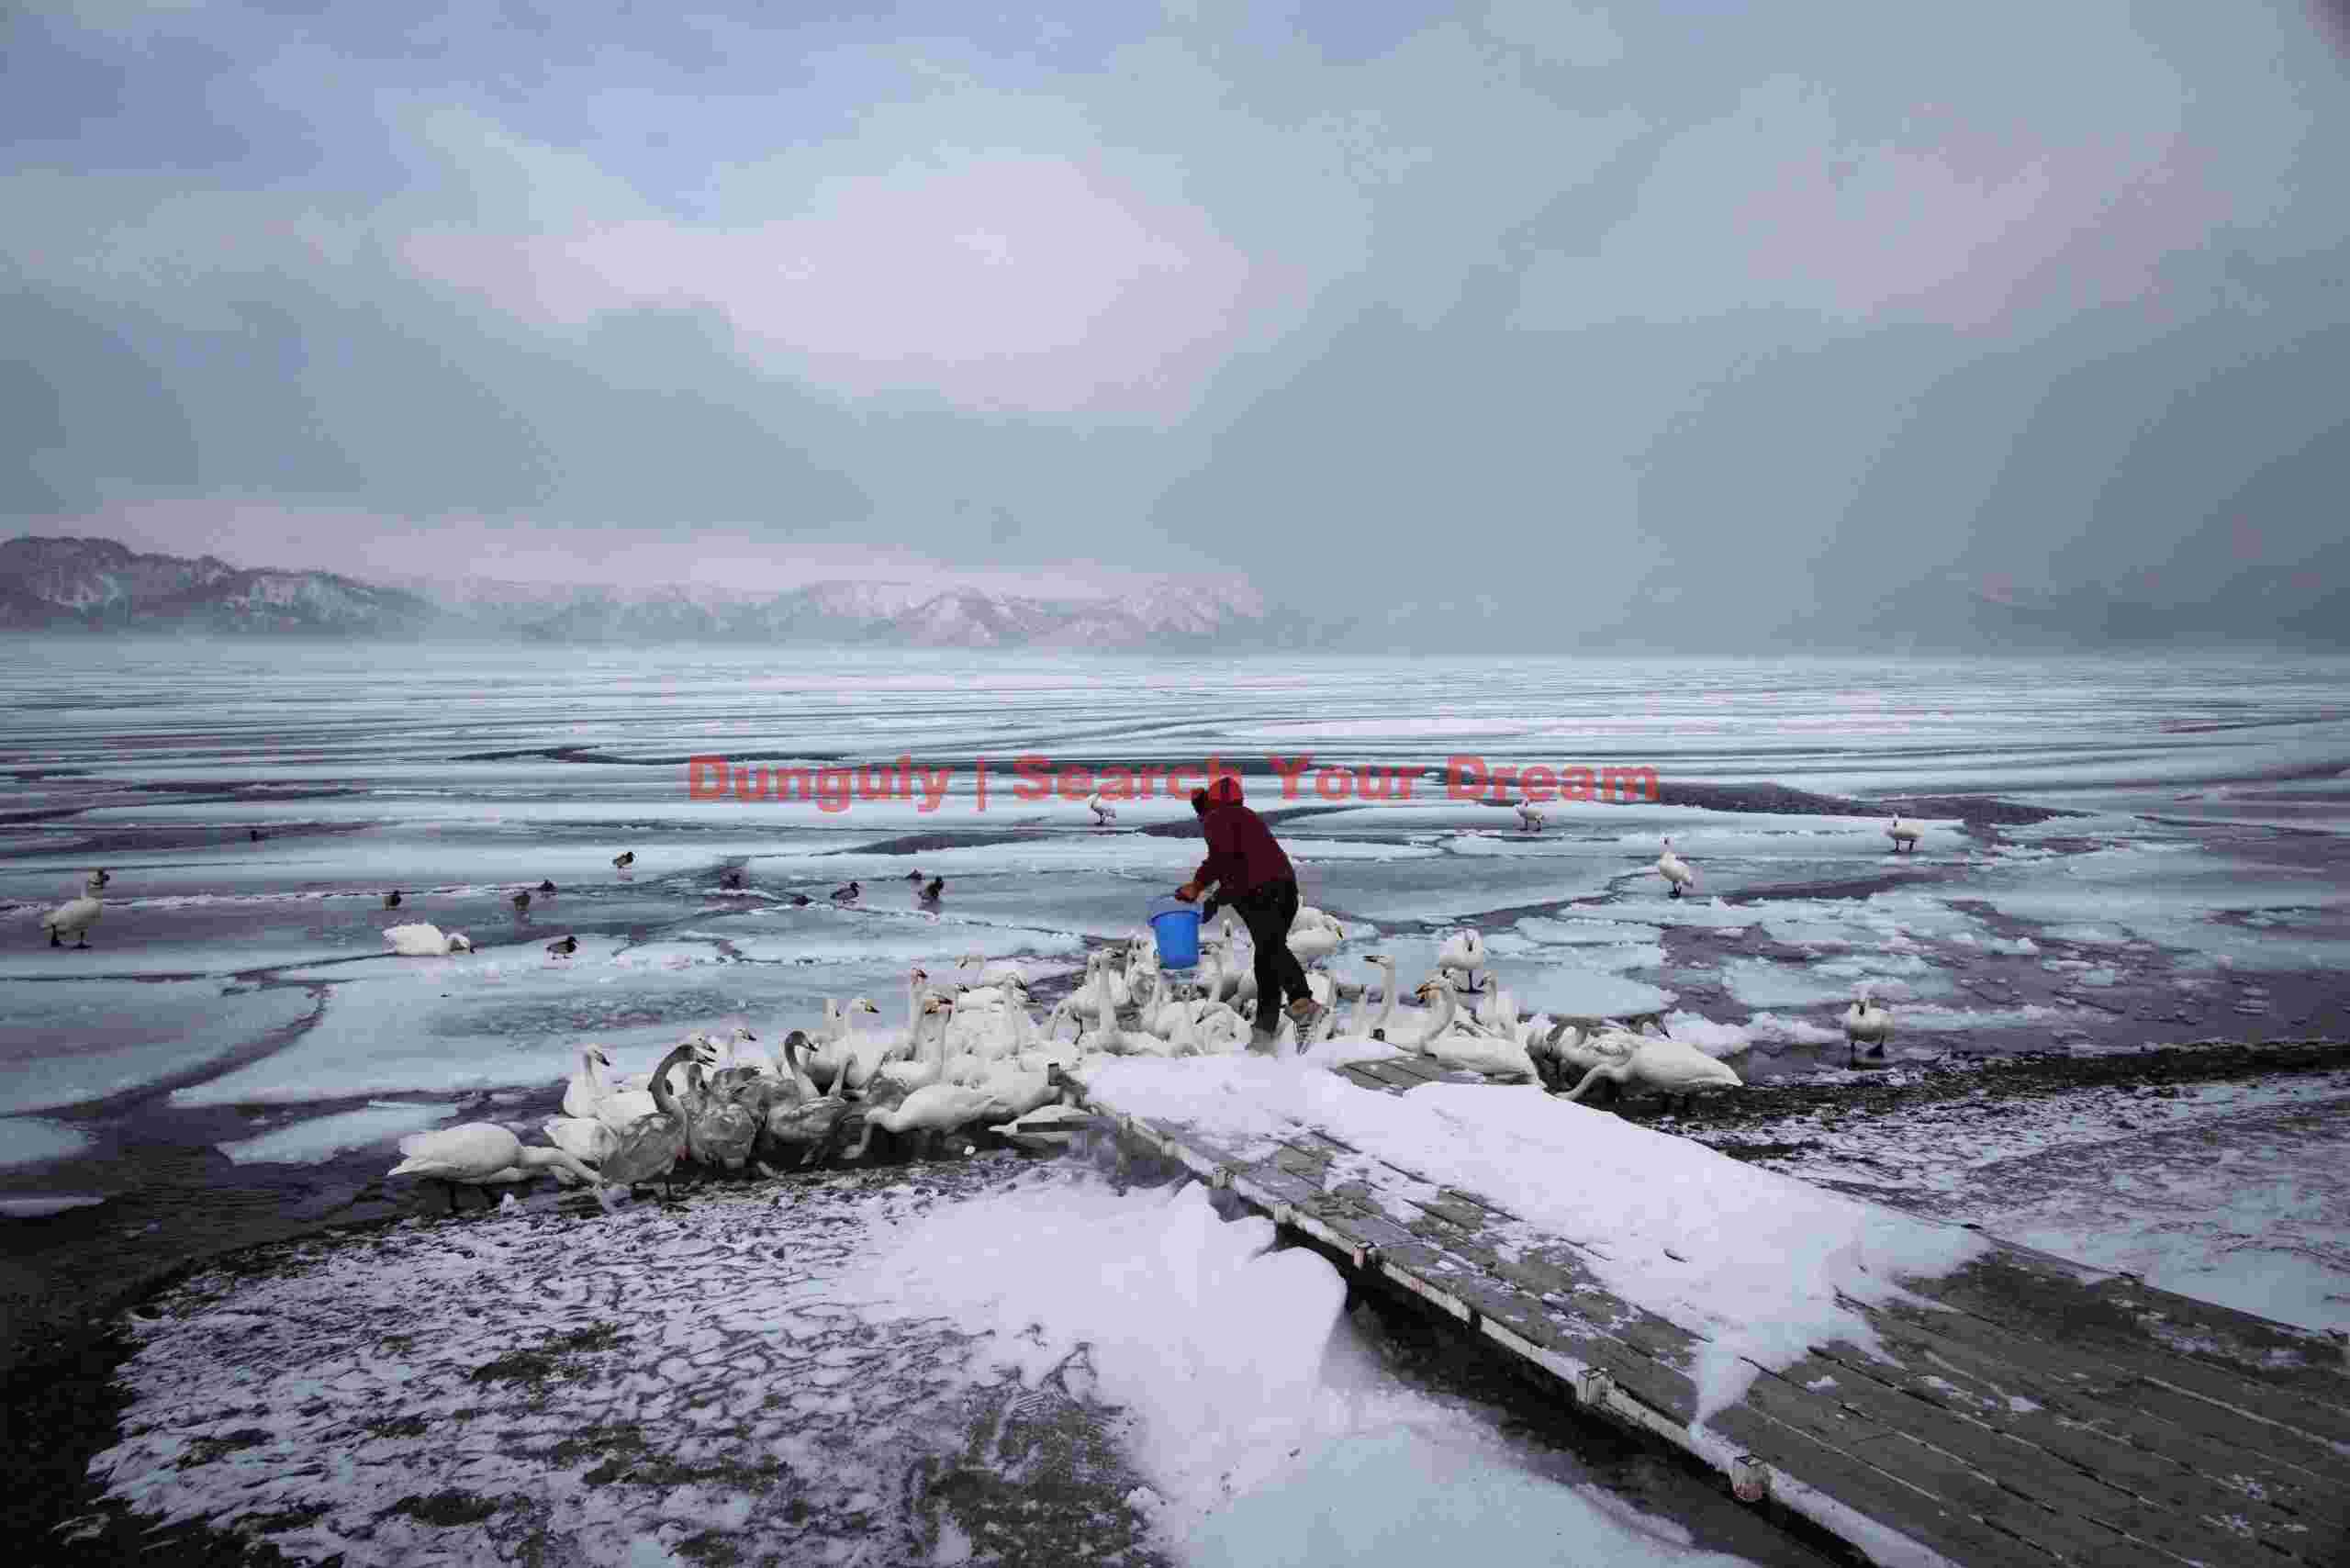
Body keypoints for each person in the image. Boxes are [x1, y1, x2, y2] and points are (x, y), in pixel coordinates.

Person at [1172, 777, 1325, 1049]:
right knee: (1267, 959)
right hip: (1285, 890)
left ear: (1209, 804)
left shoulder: (1216, 819)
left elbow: (1225, 861)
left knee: (1270, 950)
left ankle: (1303, 1003)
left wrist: (1210, 897)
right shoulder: (1245, 817)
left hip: (1262, 893)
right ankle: (1263, 1033)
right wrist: (1201, 889)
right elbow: (1229, 862)